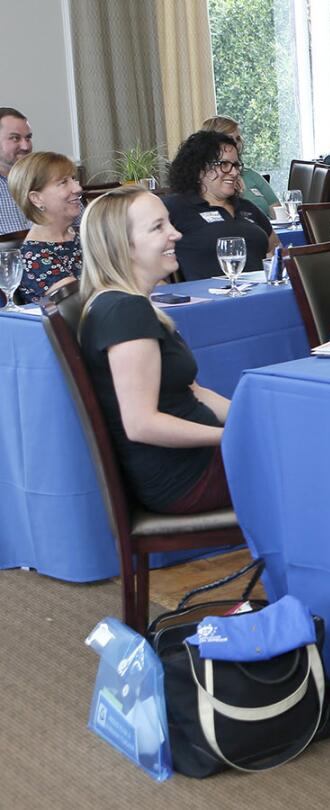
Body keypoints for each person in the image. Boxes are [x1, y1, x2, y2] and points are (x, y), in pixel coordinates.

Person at [77, 186, 231, 514]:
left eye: (169, 223)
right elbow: (141, 424)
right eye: (158, 227)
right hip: (188, 477)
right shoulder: (124, 312)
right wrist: (230, 438)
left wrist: (252, 419)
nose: (175, 233)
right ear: (124, 245)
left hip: (196, 464)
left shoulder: (127, 305)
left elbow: (194, 392)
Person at [164, 130, 279, 281]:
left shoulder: (246, 207)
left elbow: (276, 250)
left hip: (258, 295)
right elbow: (145, 265)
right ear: (199, 168)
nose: (234, 172)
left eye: (236, 165)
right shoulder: (175, 208)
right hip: (205, 300)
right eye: (224, 164)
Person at [7, 151, 83, 303]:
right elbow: (81, 304)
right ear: (36, 198)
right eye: (63, 182)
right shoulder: (34, 258)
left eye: (73, 179)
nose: (77, 188)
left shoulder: (81, 237)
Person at [199, 115, 281, 215]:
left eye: (237, 139)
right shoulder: (204, 180)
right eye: (228, 139)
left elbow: (278, 212)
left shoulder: (250, 175)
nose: (235, 143)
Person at [0, 107, 35, 233]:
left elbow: (82, 230)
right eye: (15, 138)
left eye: (28, 138)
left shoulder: (47, 177)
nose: (25, 146)